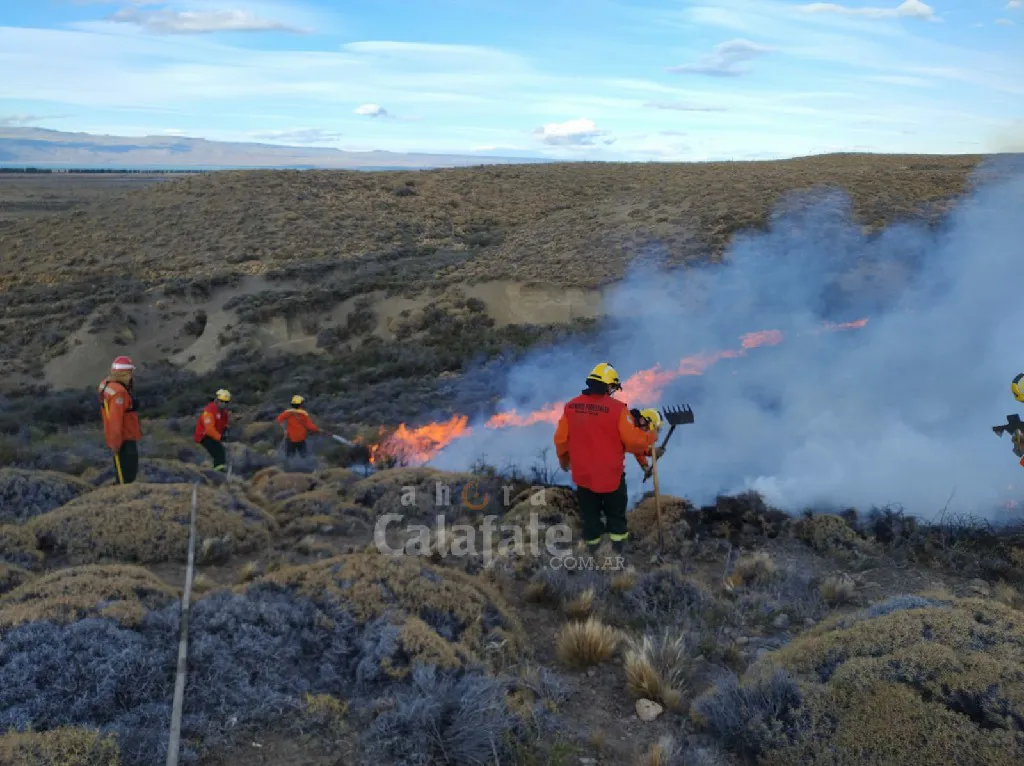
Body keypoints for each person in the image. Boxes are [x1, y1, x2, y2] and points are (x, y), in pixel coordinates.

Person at [553, 362, 662, 555]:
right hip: (611, 477)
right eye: (613, 387)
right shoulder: (618, 410)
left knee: (590, 515)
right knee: (616, 514)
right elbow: (633, 442)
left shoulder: (571, 406)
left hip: (583, 476)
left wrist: (564, 460)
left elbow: (561, 439)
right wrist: (650, 438)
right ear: (608, 385)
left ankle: (592, 549)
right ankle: (618, 549)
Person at [98, 355, 142, 485]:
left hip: (118, 436)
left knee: (121, 471)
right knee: (128, 474)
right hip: (124, 438)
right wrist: (115, 443)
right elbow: (115, 421)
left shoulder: (106, 385)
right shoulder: (119, 393)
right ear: (126, 373)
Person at [194, 389, 231, 471]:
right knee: (219, 452)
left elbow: (224, 423)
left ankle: (218, 469)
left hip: (213, 435)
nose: (223, 404)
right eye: (222, 401)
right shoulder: (209, 411)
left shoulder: (223, 412)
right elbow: (209, 430)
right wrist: (220, 437)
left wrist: (226, 428)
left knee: (220, 451)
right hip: (203, 436)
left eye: (226, 402)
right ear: (217, 400)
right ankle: (218, 472)